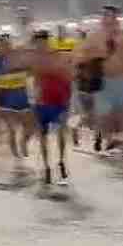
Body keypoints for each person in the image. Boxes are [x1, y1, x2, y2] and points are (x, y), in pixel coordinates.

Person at [77, 5, 123, 160]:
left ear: (116, 18)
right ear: (102, 19)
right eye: (105, 16)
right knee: (104, 116)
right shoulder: (94, 37)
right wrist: (95, 56)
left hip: (121, 79)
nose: (108, 19)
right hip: (103, 81)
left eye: (111, 16)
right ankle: (108, 138)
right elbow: (81, 56)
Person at [31, 30, 73, 185]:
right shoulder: (35, 59)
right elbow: (33, 81)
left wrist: (68, 100)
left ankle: (61, 161)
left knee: (61, 133)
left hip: (58, 102)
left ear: (46, 41)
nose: (40, 45)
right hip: (41, 103)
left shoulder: (58, 56)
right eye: (37, 43)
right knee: (42, 137)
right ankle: (47, 167)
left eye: (42, 42)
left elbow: (68, 77)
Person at [0, 33, 33, 174]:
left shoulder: (19, 58)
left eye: (8, 44)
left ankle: (24, 143)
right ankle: (17, 159)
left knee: (29, 128)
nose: (6, 47)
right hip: (5, 100)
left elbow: (30, 70)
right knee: (12, 129)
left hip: (22, 98)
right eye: (3, 45)